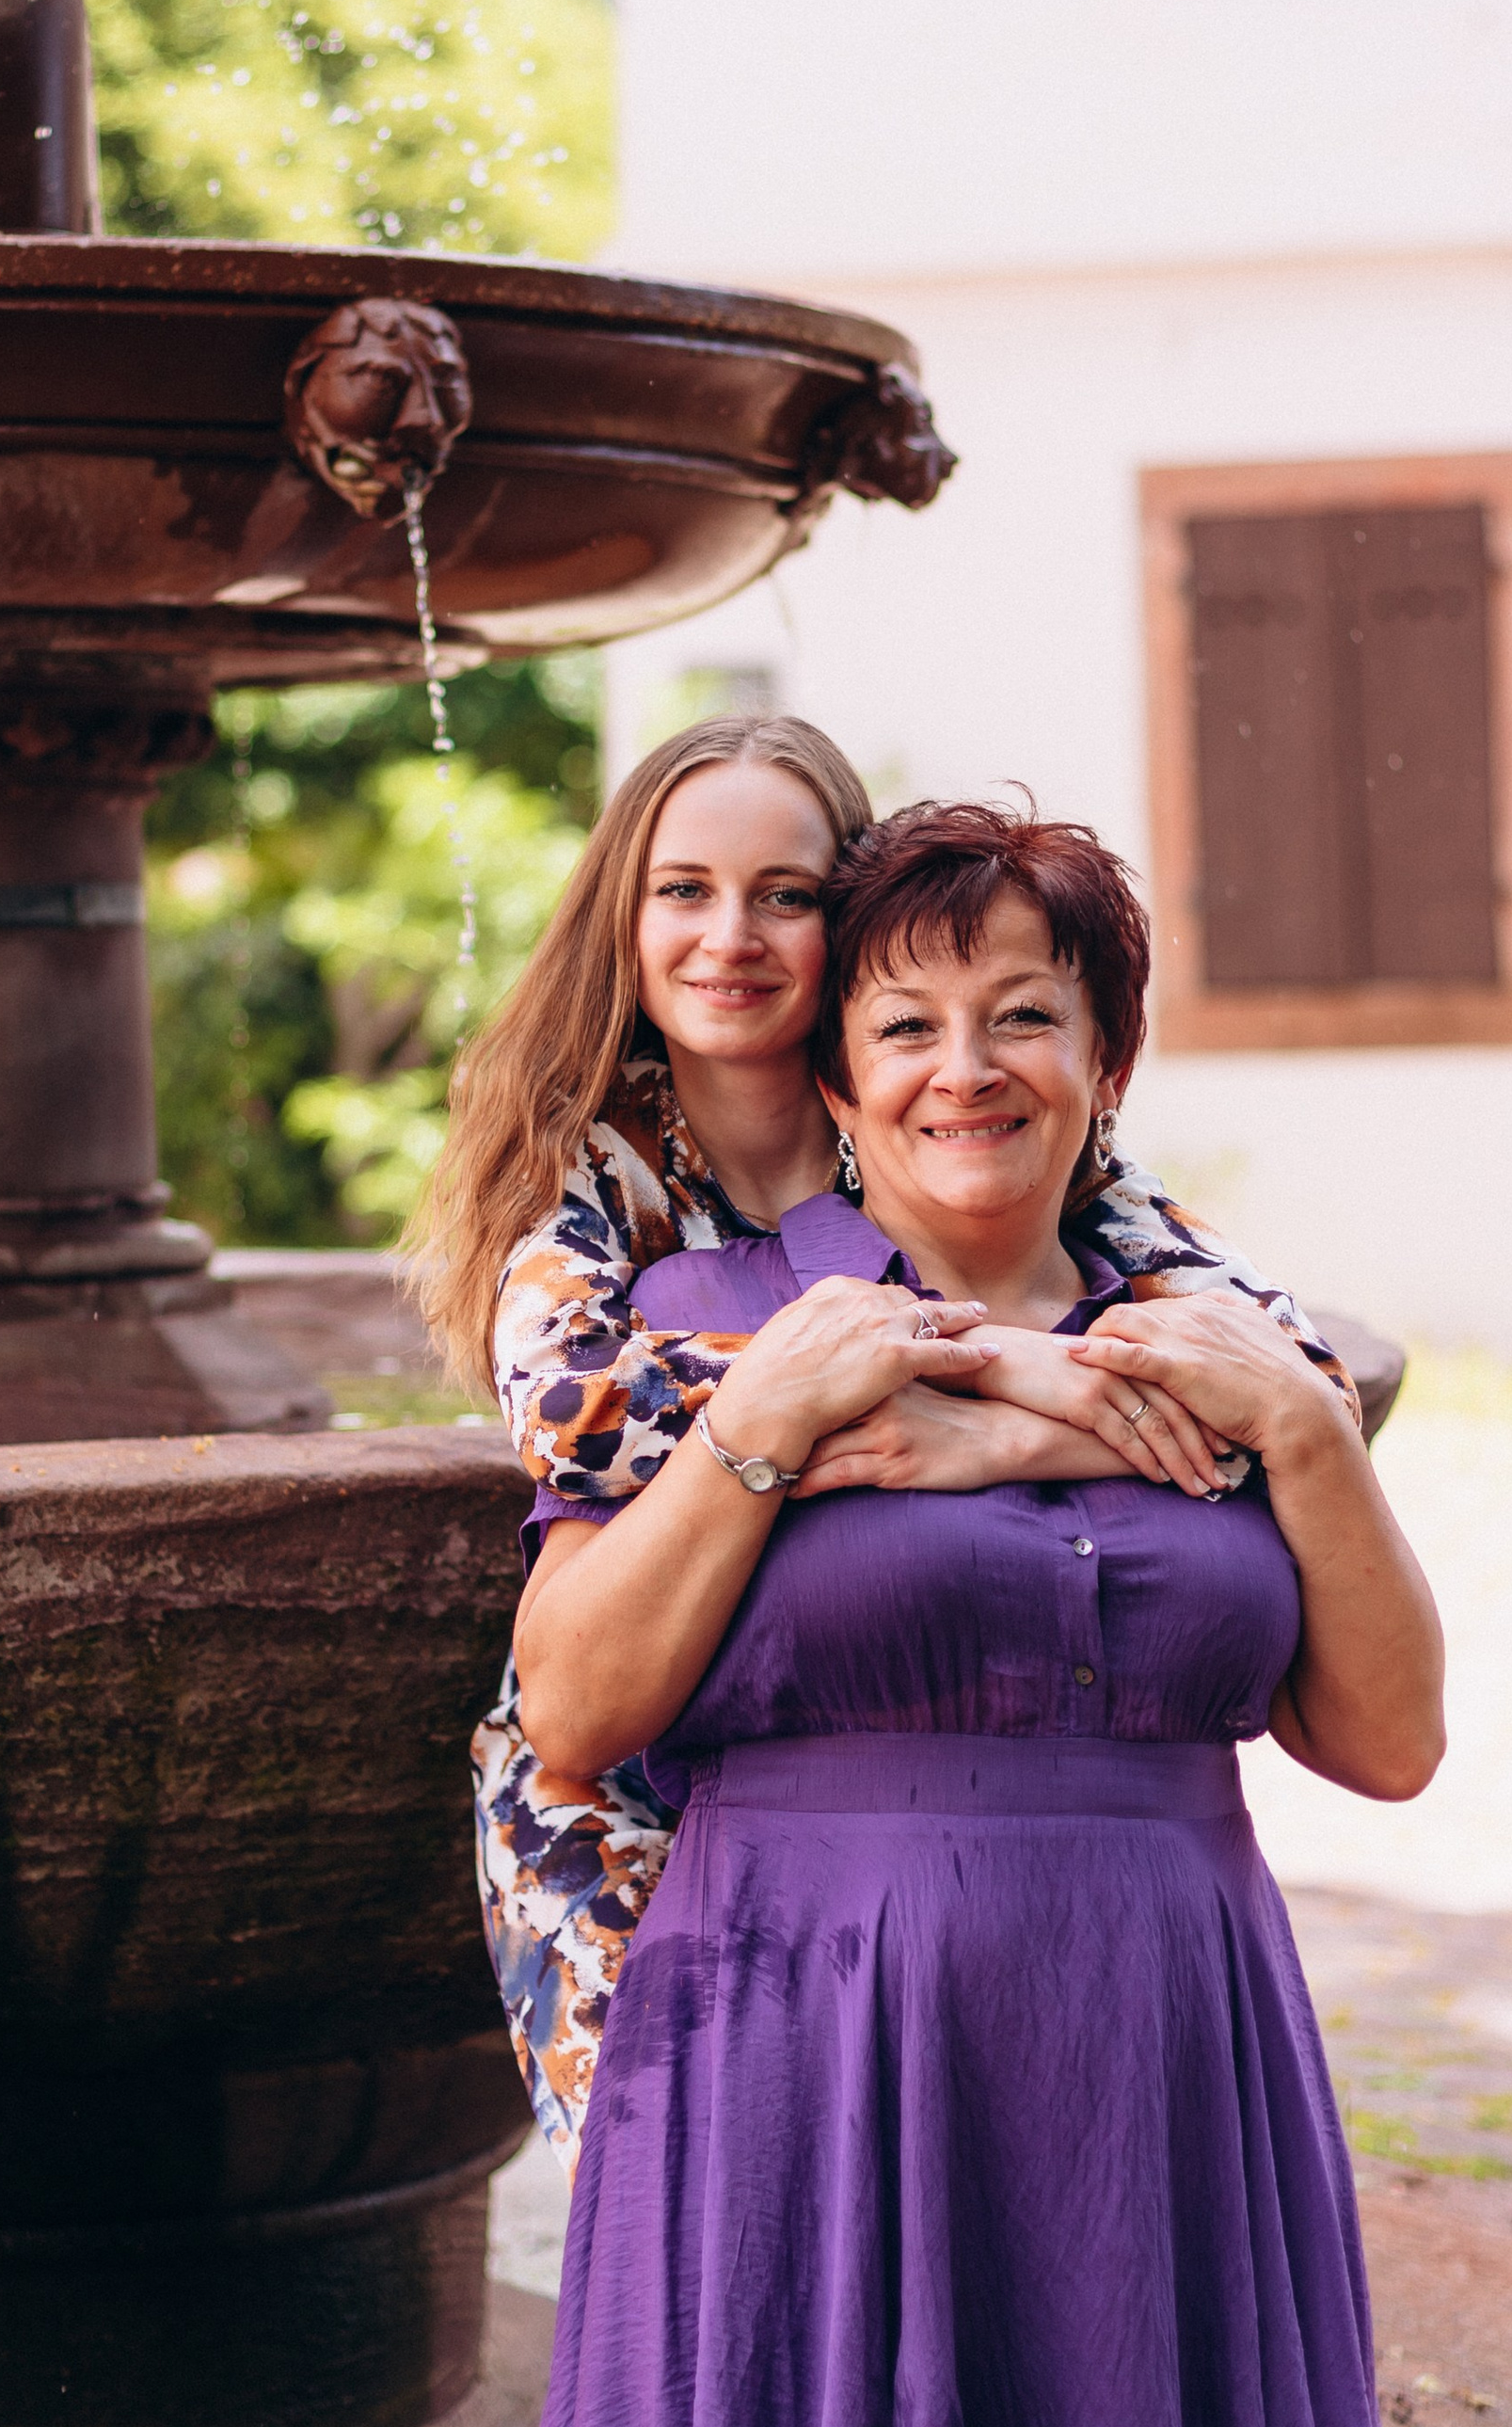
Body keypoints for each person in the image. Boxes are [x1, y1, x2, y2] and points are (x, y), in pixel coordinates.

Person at [454, 803, 1443, 2427]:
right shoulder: (713, 1329)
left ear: (1102, 1069)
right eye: (902, 1025)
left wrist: (1294, 1431)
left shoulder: (1224, 1345)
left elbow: (1388, 1739)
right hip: (796, 2055)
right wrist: (758, 1430)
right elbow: (569, 1705)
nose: (962, 1068)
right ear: (835, 1078)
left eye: (1021, 1017)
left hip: (1158, 2060)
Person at [411, 717, 1361, 2171]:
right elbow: (575, 1414)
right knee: (704, 2190)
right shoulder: (598, 1160)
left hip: (914, 1724)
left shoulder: (967, 1094)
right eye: (684, 889)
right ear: (622, 912)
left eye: (786, 893)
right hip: (618, 1779)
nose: (733, 935)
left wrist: (990, 1436)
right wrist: (1005, 1378)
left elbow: (1283, 1375)